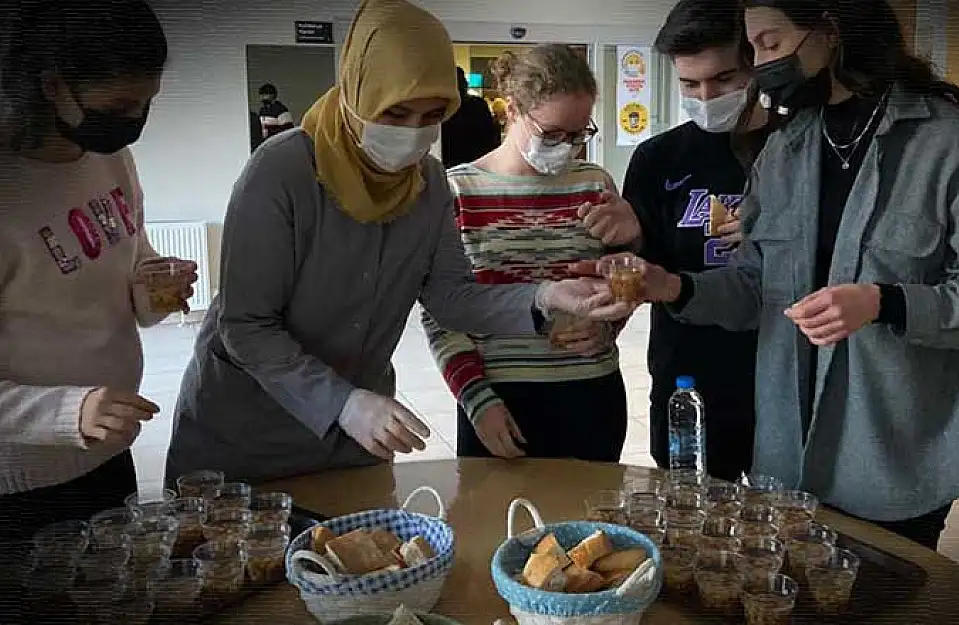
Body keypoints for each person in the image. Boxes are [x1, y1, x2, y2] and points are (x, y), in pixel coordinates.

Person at [585, 0, 959, 550]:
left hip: (888, 450)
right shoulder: (789, 144)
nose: (761, 63)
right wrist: (673, 285)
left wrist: (885, 302)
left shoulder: (948, 140)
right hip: (786, 457)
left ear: (831, 29)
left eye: (771, 44)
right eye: (752, 49)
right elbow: (757, 285)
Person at [165, 0, 623, 485]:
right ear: (357, 94)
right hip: (248, 427)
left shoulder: (427, 182)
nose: (411, 134)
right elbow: (247, 326)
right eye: (396, 112)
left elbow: (452, 298)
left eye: (430, 116)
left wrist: (543, 296)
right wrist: (343, 403)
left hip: (355, 441)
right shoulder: (282, 172)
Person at [0, 0, 197, 542]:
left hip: (107, 452)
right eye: (121, 104)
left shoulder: (109, 158)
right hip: (22, 485)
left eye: (146, 103)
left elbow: (133, 258)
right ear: (52, 86)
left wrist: (155, 288)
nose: (134, 121)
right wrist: (71, 410)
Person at [422, 45, 628, 461]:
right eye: (552, 134)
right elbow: (440, 313)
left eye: (579, 135)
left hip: (591, 388)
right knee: (496, 522)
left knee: (589, 522)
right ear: (512, 110)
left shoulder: (594, 183)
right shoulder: (457, 191)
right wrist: (476, 398)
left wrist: (608, 326)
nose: (567, 148)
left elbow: (621, 281)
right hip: (499, 397)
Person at [619, 0, 767, 482]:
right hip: (688, 373)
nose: (706, 95)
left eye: (724, 79)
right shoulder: (657, 159)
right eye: (689, 84)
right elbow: (643, 274)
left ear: (756, 65)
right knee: (694, 515)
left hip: (778, 370)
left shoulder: (796, 150)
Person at [440, 66, 501, 168]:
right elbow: (490, 136)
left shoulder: (441, 109)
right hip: (478, 164)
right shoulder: (477, 104)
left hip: (449, 165)